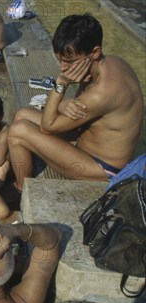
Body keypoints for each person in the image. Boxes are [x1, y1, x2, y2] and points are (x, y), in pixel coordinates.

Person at [8, 14, 143, 189]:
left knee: (18, 131)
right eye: (60, 60)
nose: (62, 68)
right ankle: (24, 164)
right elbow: (75, 108)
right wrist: (63, 104)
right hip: (84, 143)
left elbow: (47, 127)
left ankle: (21, 189)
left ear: (95, 52)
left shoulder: (102, 93)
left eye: (69, 61)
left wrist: (61, 84)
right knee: (22, 114)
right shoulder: (108, 63)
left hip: (100, 168)